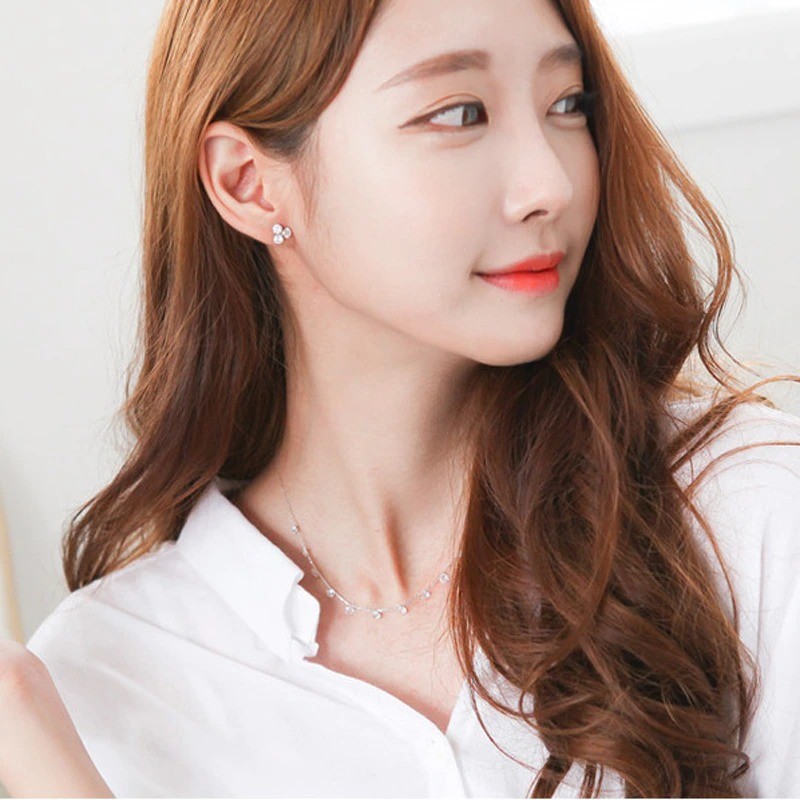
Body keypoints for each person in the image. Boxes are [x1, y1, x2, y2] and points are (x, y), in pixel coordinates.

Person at [3, 0, 800, 796]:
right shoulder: (98, 683)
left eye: (567, 103)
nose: (549, 185)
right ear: (250, 184)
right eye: (459, 113)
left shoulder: (743, 515)